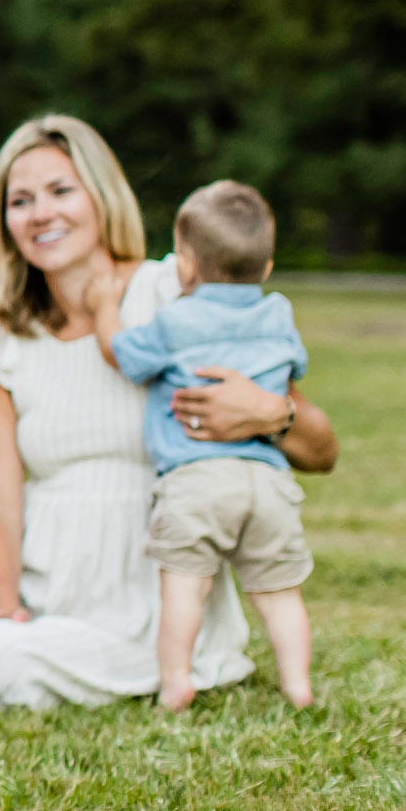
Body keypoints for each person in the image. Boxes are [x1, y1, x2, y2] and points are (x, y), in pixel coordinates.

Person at [0, 116, 338, 709]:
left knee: (7, 663)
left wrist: (271, 414)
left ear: (100, 196)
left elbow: (322, 450)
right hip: (40, 559)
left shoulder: (173, 293)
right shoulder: (0, 336)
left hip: (148, 570)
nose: (40, 214)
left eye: (61, 191)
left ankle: (42, 664)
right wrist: (2, 604)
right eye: (20, 200)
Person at [87, 180, 315, 710]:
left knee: (185, 588)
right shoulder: (278, 312)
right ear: (266, 267)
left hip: (195, 477)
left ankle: (176, 681)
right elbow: (294, 367)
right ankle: (298, 685)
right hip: (267, 478)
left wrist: (104, 306)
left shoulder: (174, 320)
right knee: (280, 591)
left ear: (185, 264)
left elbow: (120, 354)